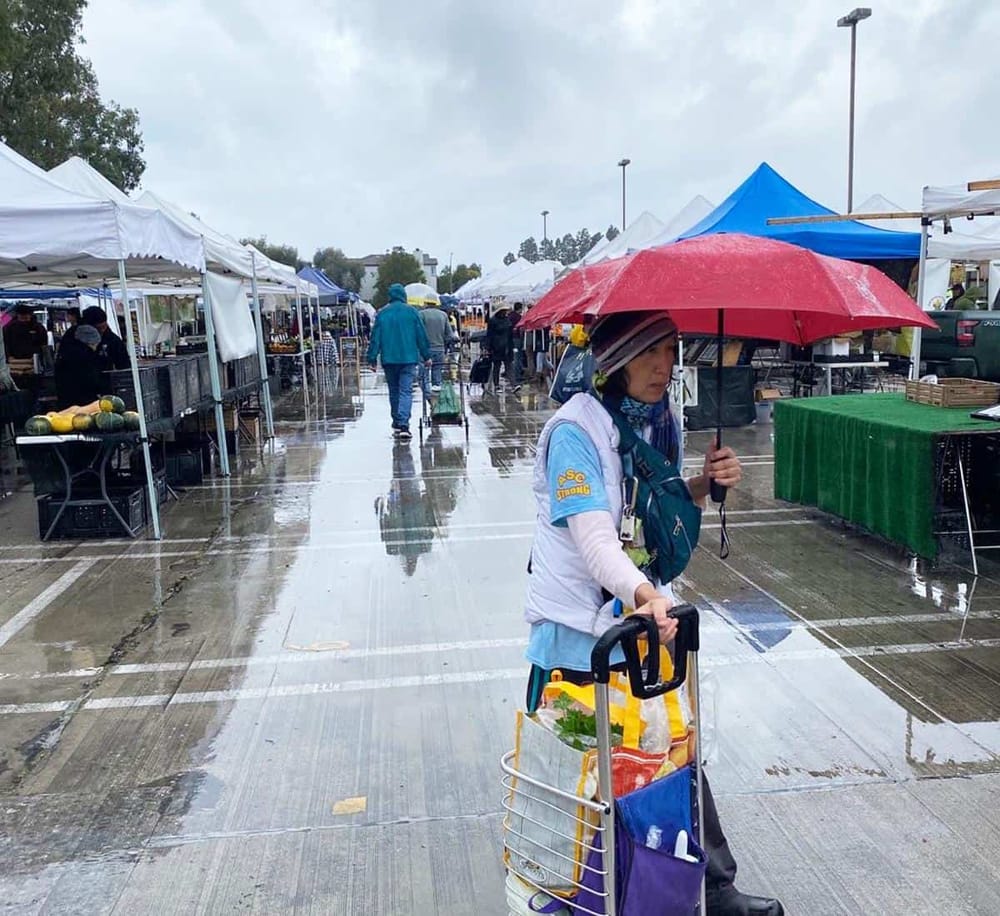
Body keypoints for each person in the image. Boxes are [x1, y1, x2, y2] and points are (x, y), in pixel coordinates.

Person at [522, 311, 784, 916]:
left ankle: (708, 888)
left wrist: (703, 485)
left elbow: (649, 504)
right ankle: (577, 897)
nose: (665, 366)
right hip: (579, 636)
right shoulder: (575, 432)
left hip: (641, 621)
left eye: (671, 349)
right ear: (612, 358)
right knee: (584, 779)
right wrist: (646, 595)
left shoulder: (657, 419)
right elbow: (594, 539)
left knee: (671, 755)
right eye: (648, 352)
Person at [367, 283, 432, 441]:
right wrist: (426, 355)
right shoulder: (412, 312)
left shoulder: (382, 314)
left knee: (394, 391)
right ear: (404, 296)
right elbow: (421, 335)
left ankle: (397, 421)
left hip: (389, 358)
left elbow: (375, 338)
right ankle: (404, 424)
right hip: (409, 358)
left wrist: (371, 359)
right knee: (405, 391)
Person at [54, 324, 104, 409]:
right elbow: (91, 379)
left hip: (65, 399)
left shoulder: (65, 352)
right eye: (95, 344)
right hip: (85, 400)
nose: (95, 348)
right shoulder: (86, 356)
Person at [3, 304, 49, 393]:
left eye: (26, 317)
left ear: (31, 315)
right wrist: (8, 356)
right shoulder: (9, 328)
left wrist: (41, 358)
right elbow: (5, 343)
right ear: (17, 315)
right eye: (22, 317)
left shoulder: (38, 327)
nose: (24, 319)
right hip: (15, 363)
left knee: (34, 387)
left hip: (33, 362)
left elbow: (44, 345)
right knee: (17, 388)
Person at [418, 299, 452, 397]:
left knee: (423, 376)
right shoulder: (443, 315)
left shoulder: (421, 314)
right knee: (437, 373)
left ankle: (428, 397)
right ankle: (437, 398)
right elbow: (449, 334)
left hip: (425, 349)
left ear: (425, 303)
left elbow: (418, 331)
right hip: (440, 349)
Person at [79, 306, 130, 371]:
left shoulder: (114, 340)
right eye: (98, 328)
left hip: (108, 378)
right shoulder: (78, 339)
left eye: (104, 327)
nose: (102, 331)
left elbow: (124, 365)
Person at [485, 305, 518, 393]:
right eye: (504, 311)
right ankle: (496, 385)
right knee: (497, 367)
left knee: (509, 366)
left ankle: (514, 384)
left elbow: (510, 335)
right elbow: (489, 335)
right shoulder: (493, 321)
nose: (505, 312)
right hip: (496, 348)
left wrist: (512, 346)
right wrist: (487, 347)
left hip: (507, 347)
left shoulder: (507, 320)